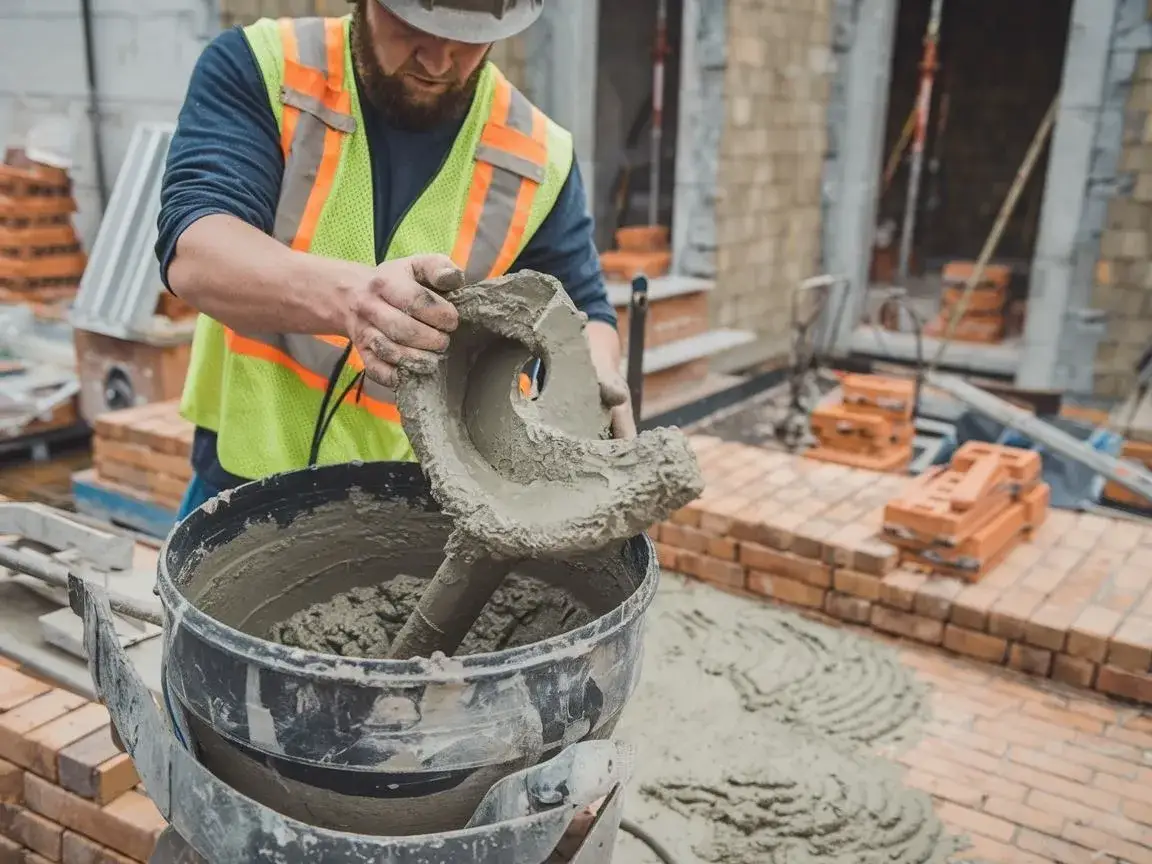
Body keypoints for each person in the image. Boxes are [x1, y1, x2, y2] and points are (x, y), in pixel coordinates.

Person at [157, 0, 633, 521]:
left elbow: (583, 309)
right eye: (413, 28)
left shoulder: (539, 154)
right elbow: (196, 251)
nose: (437, 61)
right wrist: (352, 301)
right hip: (242, 488)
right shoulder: (266, 68)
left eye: (469, 38)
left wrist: (595, 378)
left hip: (419, 506)